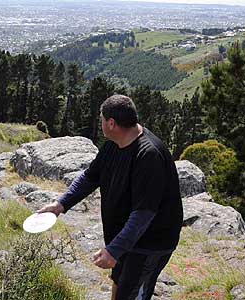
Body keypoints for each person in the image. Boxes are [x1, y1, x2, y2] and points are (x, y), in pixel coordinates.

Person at [37, 95, 183, 300]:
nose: (100, 122)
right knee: (119, 283)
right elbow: (90, 177)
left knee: (131, 293)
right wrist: (61, 204)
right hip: (126, 237)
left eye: (101, 119)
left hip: (149, 243)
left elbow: (143, 214)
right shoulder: (114, 145)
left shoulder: (148, 155)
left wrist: (114, 250)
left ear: (111, 123)